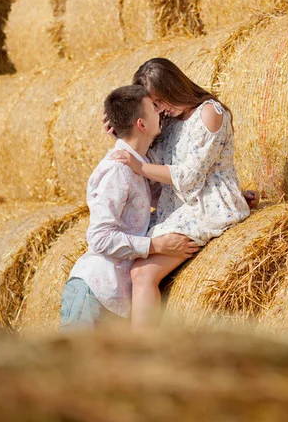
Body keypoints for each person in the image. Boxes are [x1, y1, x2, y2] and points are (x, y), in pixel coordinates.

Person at [110, 58, 256, 329]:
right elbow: (149, 156)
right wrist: (123, 134)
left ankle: (144, 356)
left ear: (173, 86)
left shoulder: (209, 113)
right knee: (119, 260)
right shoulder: (168, 121)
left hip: (205, 205)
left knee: (142, 274)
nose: (160, 108)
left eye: (160, 100)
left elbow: (189, 178)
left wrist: (140, 167)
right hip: (174, 207)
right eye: (153, 105)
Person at [60, 84, 200, 329]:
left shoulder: (139, 164)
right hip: (94, 294)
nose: (161, 112)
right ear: (141, 125)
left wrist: (232, 197)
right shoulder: (117, 169)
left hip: (114, 299)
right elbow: (99, 237)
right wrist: (156, 246)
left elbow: (172, 195)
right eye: (154, 108)